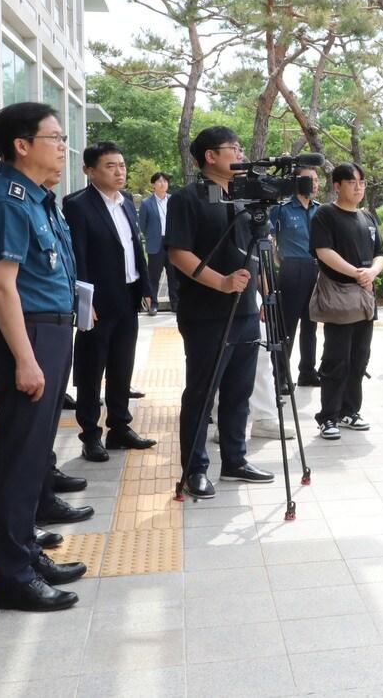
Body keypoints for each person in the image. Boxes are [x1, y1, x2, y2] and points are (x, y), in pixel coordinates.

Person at [0, 103, 92, 611]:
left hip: (51, 331)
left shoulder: (39, 198)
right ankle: (14, 578)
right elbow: (2, 288)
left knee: (36, 455)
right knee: (21, 459)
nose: (63, 146)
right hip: (30, 337)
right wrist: (25, 360)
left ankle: (26, 551)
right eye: (55, 137)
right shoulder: (6, 200)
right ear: (22, 145)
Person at [165, 126, 274, 500]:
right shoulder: (187, 198)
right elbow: (178, 252)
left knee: (238, 392)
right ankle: (194, 469)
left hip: (245, 311)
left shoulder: (245, 198)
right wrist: (222, 282)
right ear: (210, 156)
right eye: (234, 148)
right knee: (201, 392)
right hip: (206, 312)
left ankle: (235, 460)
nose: (241, 154)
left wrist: (263, 293)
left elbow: (256, 249)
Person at [63, 142, 157, 463]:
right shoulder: (77, 205)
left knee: (122, 366)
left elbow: (134, 246)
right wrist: (84, 301)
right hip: (98, 301)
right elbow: (79, 256)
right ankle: (90, 434)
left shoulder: (127, 202)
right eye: (110, 166)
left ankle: (120, 427)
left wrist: (145, 286)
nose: (120, 172)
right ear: (89, 170)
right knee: (91, 369)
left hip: (128, 296)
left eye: (122, 165)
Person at [310, 163, 383, 438]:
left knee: (359, 357)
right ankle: (328, 416)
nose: (358, 187)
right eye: (352, 182)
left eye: (362, 182)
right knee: (336, 358)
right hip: (340, 297)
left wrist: (372, 271)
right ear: (337, 185)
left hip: (365, 297)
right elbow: (323, 251)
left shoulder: (368, 217)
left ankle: (350, 411)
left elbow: (379, 254)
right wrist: (355, 272)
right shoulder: (325, 214)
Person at [270, 165, 322, 388]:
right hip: (291, 269)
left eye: (317, 179)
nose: (315, 183)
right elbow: (269, 237)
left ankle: (307, 372)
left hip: (315, 268)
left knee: (311, 325)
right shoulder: (281, 209)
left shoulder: (320, 210)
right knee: (287, 326)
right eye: (310, 179)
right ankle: (281, 376)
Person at [137, 172, 178, 315]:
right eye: (159, 182)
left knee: (174, 275)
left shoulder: (173, 200)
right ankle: (153, 304)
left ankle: (175, 304)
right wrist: (150, 236)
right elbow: (142, 224)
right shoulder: (146, 203)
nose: (163, 184)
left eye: (165, 181)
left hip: (172, 241)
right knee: (153, 276)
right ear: (153, 185)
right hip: (155, 242)